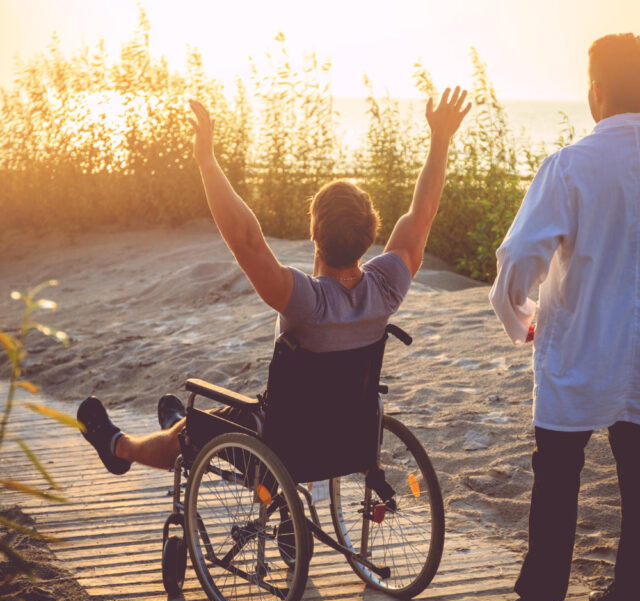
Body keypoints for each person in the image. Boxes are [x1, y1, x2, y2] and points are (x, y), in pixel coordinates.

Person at [77, 89, 471, 482]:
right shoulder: (387, 287)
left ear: (315, 233)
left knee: (192, 433)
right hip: (349, 439)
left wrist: (206, 161)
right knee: (209, 420)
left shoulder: (304, 301)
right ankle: (179, 422)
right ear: (371, 233)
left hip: (284, 446)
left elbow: (245, 237)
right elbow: (423, 212)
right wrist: (440, 139)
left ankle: (121, 447)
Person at [468, 33, 640, 601]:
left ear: (596, 93)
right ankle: (630, 599)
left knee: (558, 480)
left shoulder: (571, 165)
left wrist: (516, 316)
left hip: (579, 354)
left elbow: (519, 256)